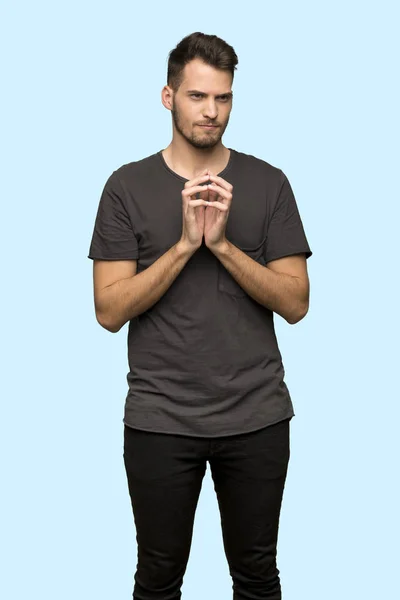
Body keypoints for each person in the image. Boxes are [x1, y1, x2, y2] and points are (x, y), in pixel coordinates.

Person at [88, 31, 312, 600]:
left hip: (257, 417)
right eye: (197, 97)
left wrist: (224, 246)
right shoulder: (126, 187)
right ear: (168, 97)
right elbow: (108, 311)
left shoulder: (269, 182)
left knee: (258, 579)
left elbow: (296, 303)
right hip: (160, 418)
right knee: (158, 580)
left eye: (224, 98)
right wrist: (186, 246)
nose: (212, 112)